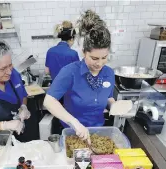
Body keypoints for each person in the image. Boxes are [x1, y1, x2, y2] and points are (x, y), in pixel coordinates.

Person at [43, 10, 116, 143]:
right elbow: (49, 101)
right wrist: (74, 122)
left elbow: (108, 97)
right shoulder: (70, 72)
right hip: (73, 134)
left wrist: (115, 105)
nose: (99, 63)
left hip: (98, 135)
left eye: (104, 58)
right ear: (84, 52)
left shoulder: (109, 73)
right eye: (94, 58)